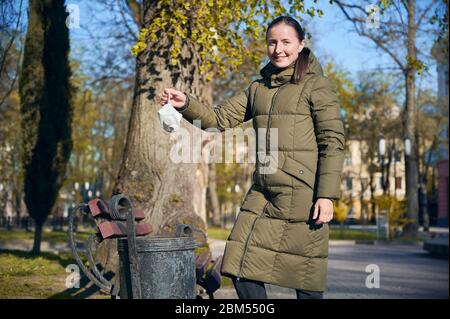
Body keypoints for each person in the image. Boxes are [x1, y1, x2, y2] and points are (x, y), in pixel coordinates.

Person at [159, 16, 345, 299]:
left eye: (286, 42)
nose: (278, 49)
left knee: (303, 275)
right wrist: (185, 103)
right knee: (239, 264)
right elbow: (217, 120)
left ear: (301, 45)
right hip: (264, 190)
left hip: (303, 195)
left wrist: (327, 196)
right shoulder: (257, 88)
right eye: (272, 42)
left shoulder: (317, 86)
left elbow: (332, 142)